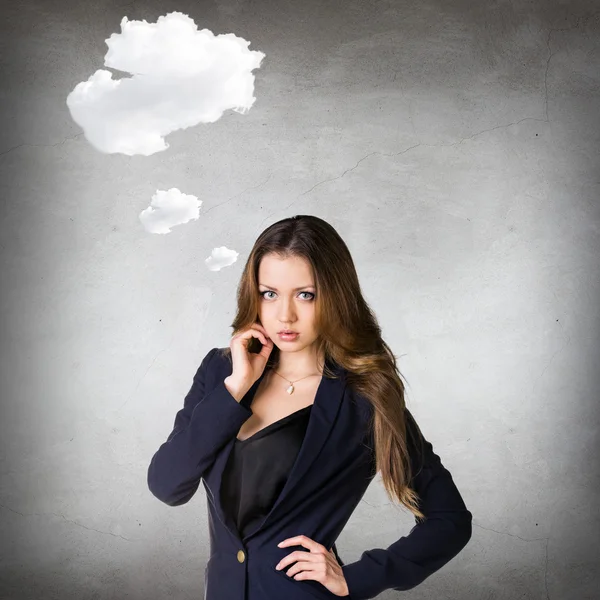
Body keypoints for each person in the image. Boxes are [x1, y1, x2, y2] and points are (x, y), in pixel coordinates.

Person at [147, 215, 472, 599]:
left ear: (335, 296)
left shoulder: (364, 398)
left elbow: (449, 519)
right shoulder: (221, 371)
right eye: (270, 293)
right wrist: (235, 388)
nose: (285, 315)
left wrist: (358, 577)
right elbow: (167, 485)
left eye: (306, 294)